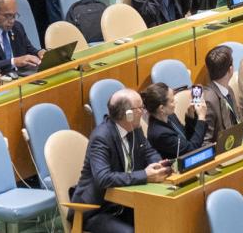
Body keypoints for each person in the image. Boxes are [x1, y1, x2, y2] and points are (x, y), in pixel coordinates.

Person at [69, 88, 169, 233]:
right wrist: (145, 175)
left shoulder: (135, 129)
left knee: (160, 218)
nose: (144, 111)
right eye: (141, 107)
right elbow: (103, 178)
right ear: (128, 114)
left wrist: (158, 165)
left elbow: (149, 152)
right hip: (96, 210)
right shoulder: (101, 137)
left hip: (125, 203)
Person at [142, 83, 207, 161]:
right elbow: (192, 150)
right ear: (162, 108)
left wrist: (190, 117)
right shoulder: (160, 134)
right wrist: (201, 118)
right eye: (172, 101)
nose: (175, 102)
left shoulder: (169, 116)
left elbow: (185, 138)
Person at [198, 45, 241, 143]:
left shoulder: (229, 90)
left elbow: (238, 120)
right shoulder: (209, 101)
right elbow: (205, 142)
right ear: (230, 69)